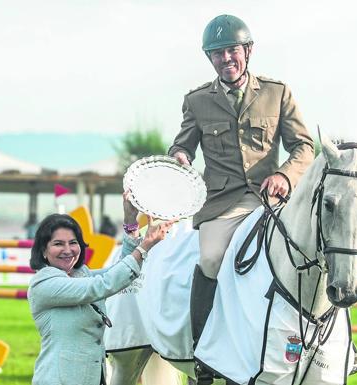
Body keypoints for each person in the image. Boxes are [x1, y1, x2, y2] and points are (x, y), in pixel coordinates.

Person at [167, 14, 314, 384]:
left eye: (232, 50)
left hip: (272, 200)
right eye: (217, 53)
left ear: (247, 51)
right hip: (223, 203)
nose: (225, 59)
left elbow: (304, 147)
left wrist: (283, 175)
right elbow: (182, 145)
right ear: (210, 59)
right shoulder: (197, 100)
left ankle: (329, 345)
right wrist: (180, 157)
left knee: (313, 254)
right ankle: (202, 353)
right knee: (212, 258)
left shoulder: (277, 92)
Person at [27, 192, 174, 385]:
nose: (68, 250)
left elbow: (120, 269)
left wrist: (130, 220)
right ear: (43, 251)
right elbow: (103, 285)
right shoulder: (43, 283)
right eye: (58, 244)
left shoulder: (81, 274)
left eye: (73, 243)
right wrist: (145, 245)